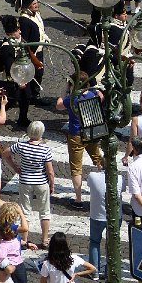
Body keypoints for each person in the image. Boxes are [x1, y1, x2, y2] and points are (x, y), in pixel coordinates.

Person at [2, 121, 54, 249]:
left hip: (25, 181)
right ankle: (44, 240)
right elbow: (50, 172)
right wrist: (52, 185)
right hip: (41, 182)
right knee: (45, 212)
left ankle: (24, 240)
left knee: (25, 211)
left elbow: (5, 154)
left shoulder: (21, 145)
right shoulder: (45, 149)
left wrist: (15, 167)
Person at [56, 73, 103, 209]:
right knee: (98, 158)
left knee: (76, 167)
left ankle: (78, 199)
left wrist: (65, 90)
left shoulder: (72, 98)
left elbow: (59, 105)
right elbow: (101, 97)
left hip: (76, 134)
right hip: (91, 131)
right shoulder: (93, 94)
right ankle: (106, 186)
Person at [87, 161, 124, 280]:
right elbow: (122, 190)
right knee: (112, 243)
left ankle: (94, 271)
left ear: (100, 165)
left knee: (94, 242)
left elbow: (89, 185)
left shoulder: (92, 176)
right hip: (115, 216)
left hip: (97, 215)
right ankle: (110, 272)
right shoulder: (120, 178)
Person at [0, 202, 33, 283]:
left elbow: (15, 240)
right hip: (15, 263)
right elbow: (25, 228)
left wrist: (26, 244)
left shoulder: (3, 226)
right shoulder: (12, 226)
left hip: (5, 262)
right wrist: (21, 213)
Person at [0, 16, 31, 128]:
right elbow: (10, 67)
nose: (20, 32)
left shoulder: (18, 43)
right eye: (17, 30)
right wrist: (19, 81)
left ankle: (23, 119)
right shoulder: (7, 48)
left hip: (22, 76)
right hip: (12, 78)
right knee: (10, 101)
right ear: (10, 33)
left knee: (26, 97)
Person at [18, 0, 49, 104]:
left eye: (36, 3)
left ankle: (35, 95)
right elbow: (25, 40)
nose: (36, 5)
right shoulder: (24, 20)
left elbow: (40, 30)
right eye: (33, 3)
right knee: (29, 74)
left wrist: (45, 38)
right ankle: (28, 96)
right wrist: (31, 55)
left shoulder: (36, 15)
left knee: (39, 73)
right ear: (27, 5)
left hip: (39, 49)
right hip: (31, 52)